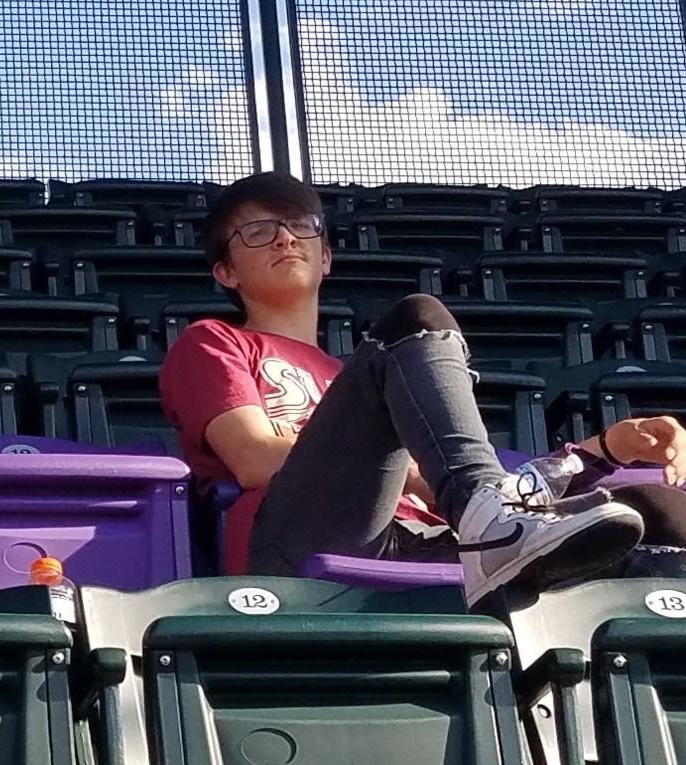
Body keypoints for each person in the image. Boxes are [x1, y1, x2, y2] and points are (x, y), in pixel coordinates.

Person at [159, 171, 686, 604]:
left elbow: (473, 489)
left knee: (655, 510)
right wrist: (410, 470)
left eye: (302, 226)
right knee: (418, 317)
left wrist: (605, 450)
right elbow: (252, 457)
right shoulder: (213, 342)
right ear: (226, 272)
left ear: (326, 257)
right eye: (258, 231)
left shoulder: (370, 377)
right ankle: (487, 520)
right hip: (296, 550)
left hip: (428, 543)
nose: (284, 238)